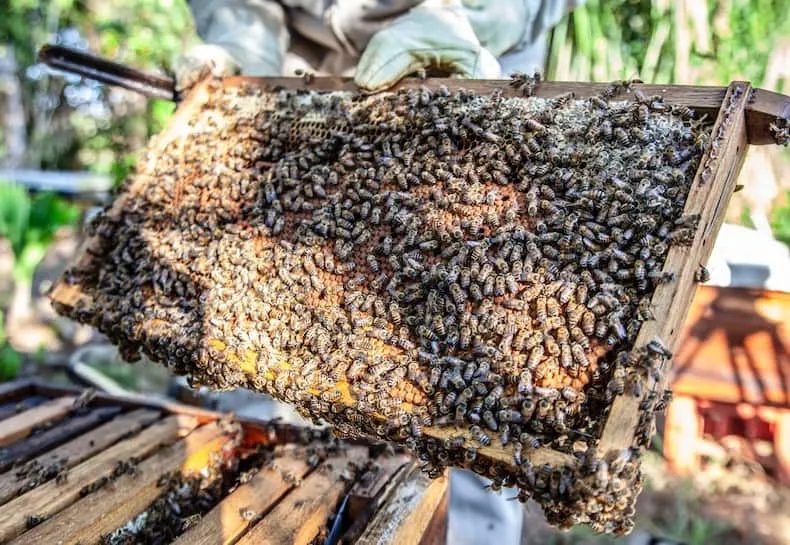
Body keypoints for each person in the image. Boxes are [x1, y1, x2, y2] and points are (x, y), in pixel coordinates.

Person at [173, 2, 583, 544]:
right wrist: (242, 44)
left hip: (467, 65)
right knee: (263, 342)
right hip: (305, 89)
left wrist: (469, 17)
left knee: (482, 395)